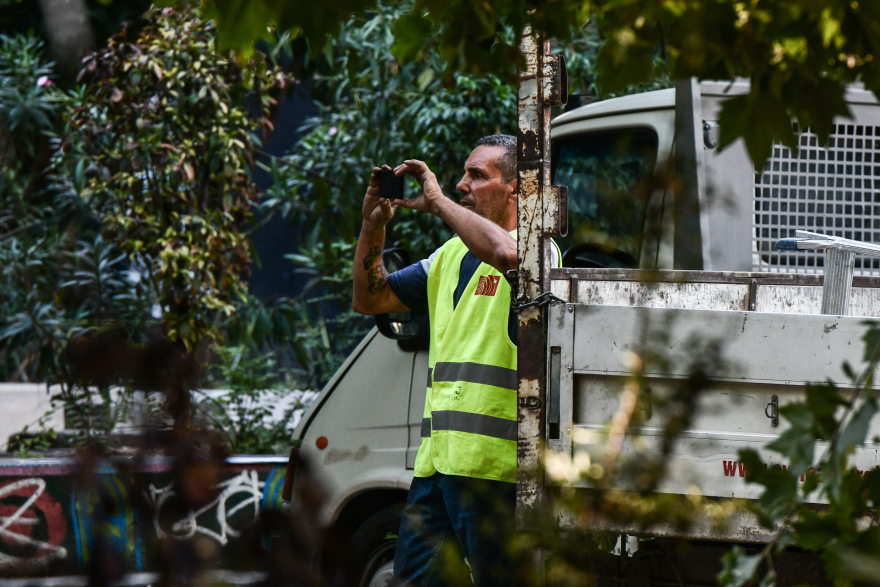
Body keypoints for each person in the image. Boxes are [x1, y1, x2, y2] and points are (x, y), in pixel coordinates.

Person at [352, 134, 558, 586]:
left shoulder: (538, 250)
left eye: (477, 176)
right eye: (463, 174)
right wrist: (373, 226)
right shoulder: (449, 255)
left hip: (494, 472)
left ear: (516, 190)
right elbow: (371, 297)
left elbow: (506, 253)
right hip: (437, 467)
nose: (463, 184)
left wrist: (438, 201)